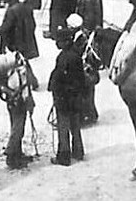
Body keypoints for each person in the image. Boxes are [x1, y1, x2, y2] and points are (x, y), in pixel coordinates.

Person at [48, 24, 86, 166]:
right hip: (75, 98)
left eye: (59, 41)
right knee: (75, 125)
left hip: (64, 98)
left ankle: (63, 157)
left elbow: (58, 78)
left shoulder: (63, 57)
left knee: (63, 127)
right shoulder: (76, 55)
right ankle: (78, 151)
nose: (57, 43)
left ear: (65, 42)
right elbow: (81, 79)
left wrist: (53, 88)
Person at [0, 0, 39, 89]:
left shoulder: (12, 10)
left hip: (16, 41)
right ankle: (32, 81)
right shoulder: (27, 7)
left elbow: (6, 27)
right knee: (23, 61)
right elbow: (33, 25)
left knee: (20, 62)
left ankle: (30, 81)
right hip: (27, 39)